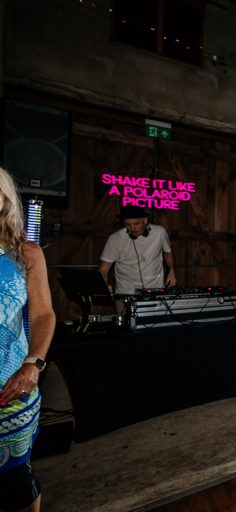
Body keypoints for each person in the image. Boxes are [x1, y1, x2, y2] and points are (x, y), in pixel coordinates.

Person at [0, 166, 56, 512]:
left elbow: (43, 315)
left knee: (15, 486)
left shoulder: (26, 254)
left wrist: (32, 364)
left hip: (9, 393)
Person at [99, 206, 176, 296]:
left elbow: (167, 252)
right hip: (125, 292)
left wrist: (172, 270)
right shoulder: (115, 239)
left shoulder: (160, 233)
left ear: (145, 220)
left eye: (136, 224)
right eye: (128, 225)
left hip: (155, 289)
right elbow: (103, 270)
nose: (132, 228)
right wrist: (103, 286)